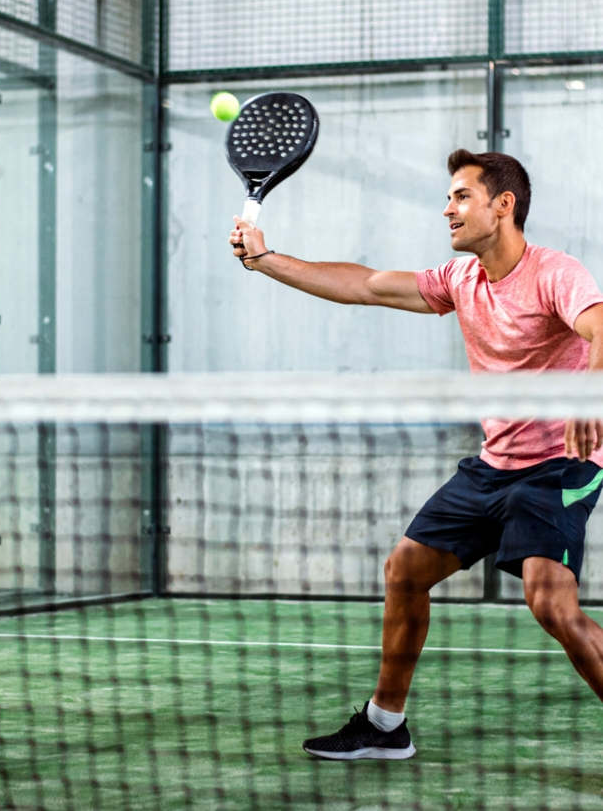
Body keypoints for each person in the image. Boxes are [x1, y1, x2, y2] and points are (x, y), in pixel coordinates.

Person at [229, 149, 603, 761]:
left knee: (551, 604)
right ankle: (384, 725)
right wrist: (267, 259)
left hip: (560, 464)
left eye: (461, 196)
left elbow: (600, 325)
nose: (448, 208)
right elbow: (368, 285)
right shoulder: (463, 281)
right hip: (492, 465)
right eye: (449, 196)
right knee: (404, 571)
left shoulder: (553, 272)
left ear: (502, 205)